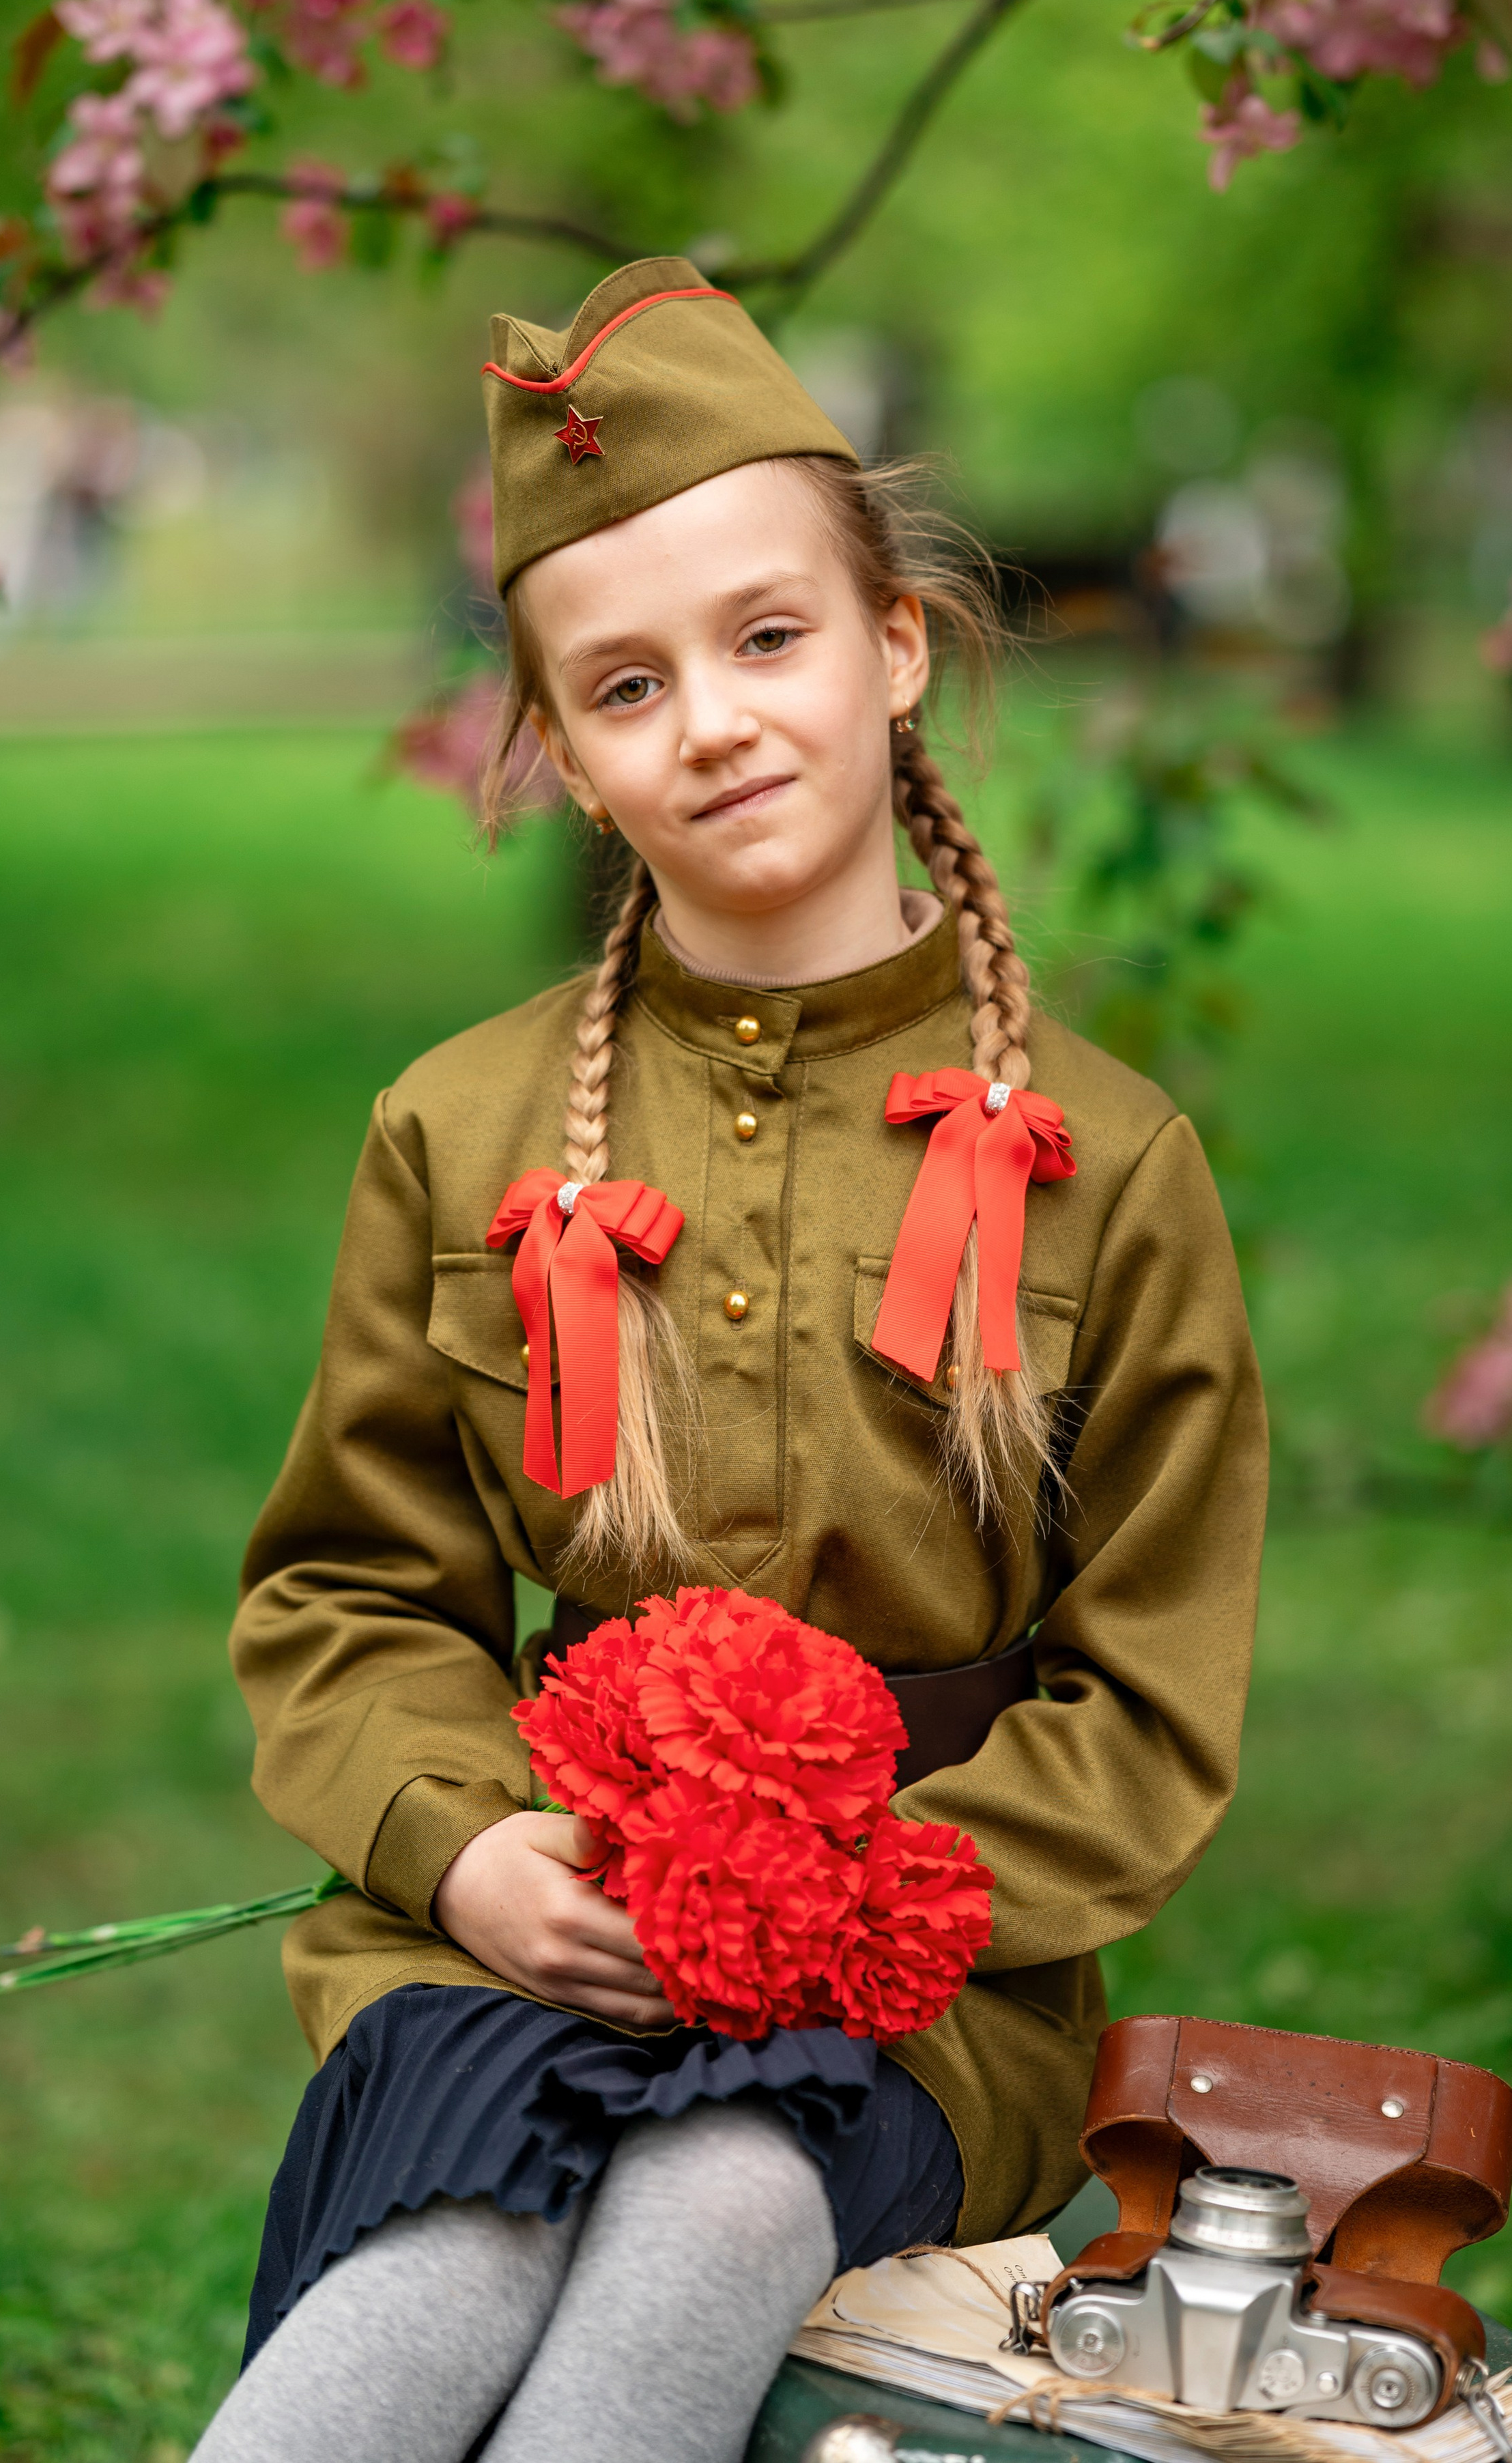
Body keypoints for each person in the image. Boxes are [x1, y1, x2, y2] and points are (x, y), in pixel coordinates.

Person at [194, 257, 1268, 2463]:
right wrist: (470, 1846)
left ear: (896, 645)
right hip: (541, 1926)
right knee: (448, 2234)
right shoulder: (452, 1131)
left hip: (914, 1985)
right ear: (568, 758)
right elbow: (349, 1596)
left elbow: (1144, 1706)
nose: (714, 717)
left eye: (769, 636)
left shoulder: (1117, 1166)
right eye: (625, 683)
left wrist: (847, 1902)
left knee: (707, 2195)